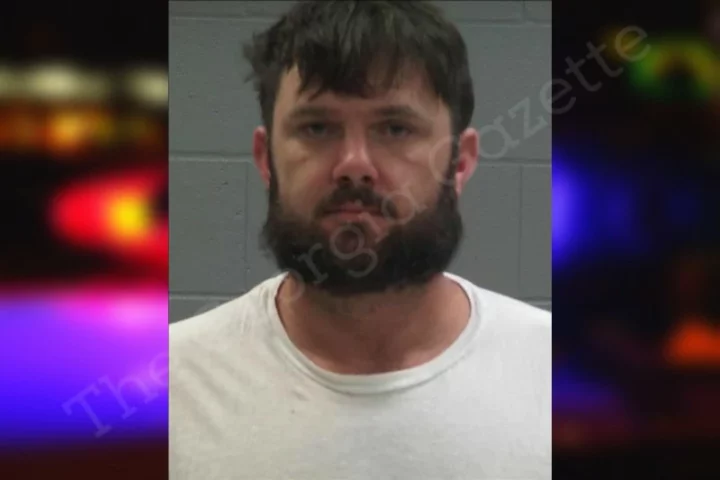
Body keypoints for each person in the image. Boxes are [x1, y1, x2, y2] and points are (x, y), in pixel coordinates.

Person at [170, 1, 551, 478]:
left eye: (395, 128)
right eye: (317, 128)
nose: (354, 164)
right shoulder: (170, 389)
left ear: (459, 162)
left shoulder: (559, 381)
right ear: (266, 159)